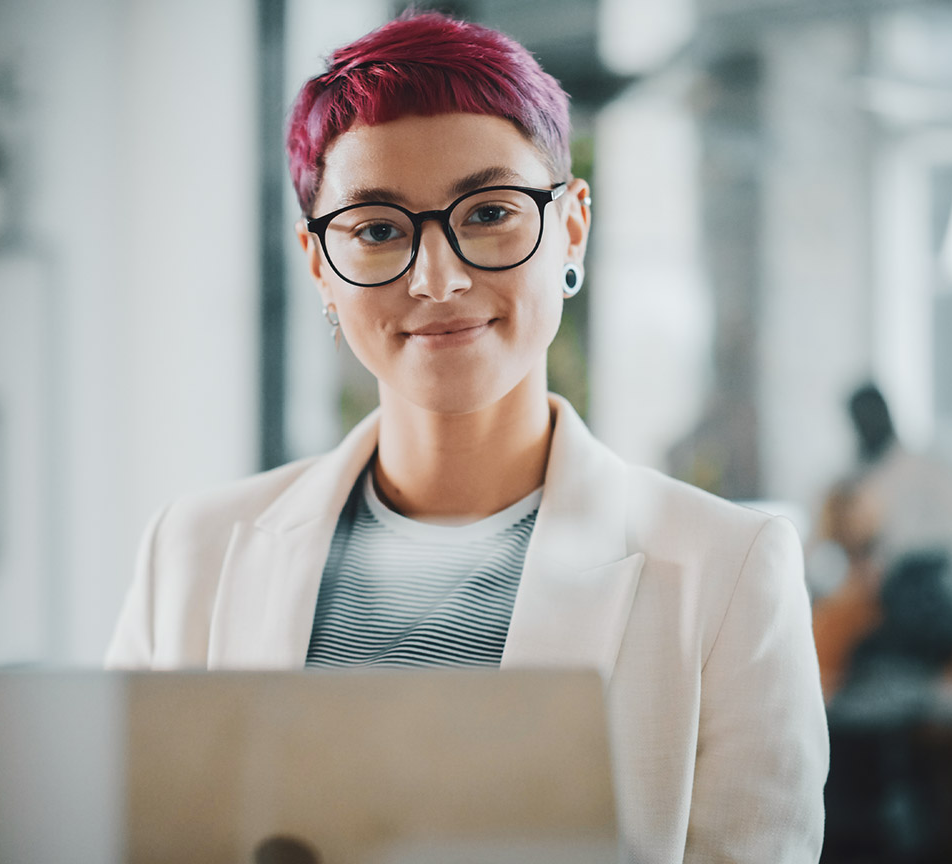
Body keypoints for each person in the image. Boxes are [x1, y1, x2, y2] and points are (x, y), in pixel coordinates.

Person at [105, 12, 827, 862]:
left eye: (488, 212)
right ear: (319, 268)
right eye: (377, 229)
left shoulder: (729, 571)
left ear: (572, 228)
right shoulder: (193, 551)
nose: (437, 278)